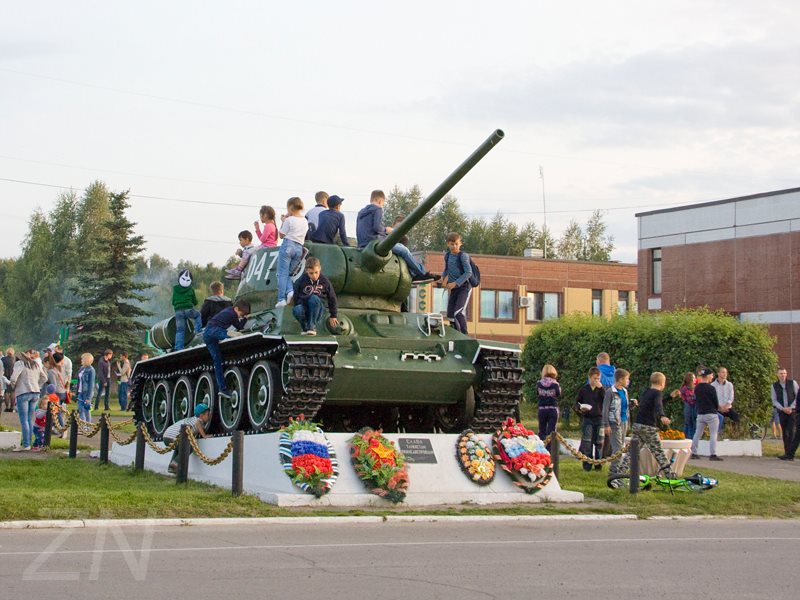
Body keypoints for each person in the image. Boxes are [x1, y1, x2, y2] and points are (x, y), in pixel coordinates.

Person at [356, 190, 439, 283]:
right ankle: (422, 273)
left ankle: (415, 273)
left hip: (363, 245)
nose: (382, 206)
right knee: (404, 250)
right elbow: (376, 227)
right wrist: (386, 230)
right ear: (380, 201)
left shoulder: (361, 212)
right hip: (375, 242)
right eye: (383, 204)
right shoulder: (377, 209)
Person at [610, 372, 673, 488]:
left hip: (638, 425)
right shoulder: (658, 393)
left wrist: (670, 397)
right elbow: (658, 405)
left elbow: (654, 403)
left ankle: (618, 478)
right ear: (662, 383)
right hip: (648, 427)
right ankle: (671, 478)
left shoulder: (647, 392)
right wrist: (662, 416)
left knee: (632, 453)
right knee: (659, 453)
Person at [203, 299, 251, 400]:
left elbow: (239, 325)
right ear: (236, 308)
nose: (240, 316)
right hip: (213, 330)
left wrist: (245, 318)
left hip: (208, 335)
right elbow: (239, 327)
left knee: (217, 361)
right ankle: (222, 388)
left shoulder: (231, 312)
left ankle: (223, 389)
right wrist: (233, 333)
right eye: (241, 314)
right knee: (233, 335)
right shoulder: (231, 313)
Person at [9, 349, 47, 451]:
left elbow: (13, 378)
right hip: (35, 393)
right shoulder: (35, 364)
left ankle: (26, 444)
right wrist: (37, 386)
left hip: (23, 392)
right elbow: (44, 378)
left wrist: (13, 386)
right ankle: (29, 443)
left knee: (24, 420)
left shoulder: (19, 363)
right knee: (30, 419)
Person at [291, 257, 338, 336]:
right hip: (305, 307)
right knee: (297, 309)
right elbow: (296, 295)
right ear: (306, 271)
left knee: (314, 298)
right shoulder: (301, 280)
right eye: (311, 273)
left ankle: (311, 326)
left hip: (318, 308)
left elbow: (332, 297)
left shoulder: (324, 281)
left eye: (316, 272)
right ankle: (305, 327)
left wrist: (333, 315)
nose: (314, 275)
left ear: (320, 268)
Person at [275, 197, 309, 308]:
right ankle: (290, 291)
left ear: (290, 207)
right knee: (288, 274)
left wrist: (284, 221)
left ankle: (281, 299)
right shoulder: (305, 221)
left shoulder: (289, 220)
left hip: (288, 246)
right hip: (299, 248)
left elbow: (281, 235)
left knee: (281, 274)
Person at [439, 232, 473, 335]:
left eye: (456, 244)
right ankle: (455, 334)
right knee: (450, 314)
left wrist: (455, 283)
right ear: (447, 244)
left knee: (458, 312)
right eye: (452, 244)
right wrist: (443, 277)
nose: (454, 246)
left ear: (460, 244)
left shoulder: (463, 256)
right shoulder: (447, 256)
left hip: (464, 288)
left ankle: (465, 336)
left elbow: (468, 272)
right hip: (454, 289)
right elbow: (447, 269)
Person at [164, 402, 212, 474]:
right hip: (173, 436)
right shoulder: (198, 420)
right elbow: (197, 423)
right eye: (208, 414)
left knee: (180, 448)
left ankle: (172, 466)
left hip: (166, 436)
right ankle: (174, 464)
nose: (209, 416)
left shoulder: (191, 419)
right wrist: (204, 435)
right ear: (201, 415)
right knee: (188, 447)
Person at [603, 368, 633, 481]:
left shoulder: (624, 391)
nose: (628, 381)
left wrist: (632, 404)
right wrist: (606, 424)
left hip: (624, 421)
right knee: (618, 448)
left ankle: (618, 470)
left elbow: (624, 407)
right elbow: (605, 409)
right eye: (627, 379)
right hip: (614, 423)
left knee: (621, 447)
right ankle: (613, 472)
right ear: (620, 379)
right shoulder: (610, 392)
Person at [575, 366, 606, 471]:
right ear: (589, 378)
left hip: (599, 418)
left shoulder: (601, 389)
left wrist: (601, 388)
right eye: (594, 379)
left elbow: (605, 400)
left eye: (598, 379)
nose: (596, 381)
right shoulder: (584, 390)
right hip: (588, 418)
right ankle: (587, 465)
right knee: (587, 442)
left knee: (599, 443)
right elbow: (577, 403)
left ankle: (598, 465)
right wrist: (580, 409)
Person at [690, 367, 723, 461]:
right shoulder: (711, 388)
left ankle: (694, 452)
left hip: (700, 413)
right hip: (711, 413)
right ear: (708, 376)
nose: (712, 377)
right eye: (711, 375)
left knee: (697, 433)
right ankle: (713, 454)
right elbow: (715, 401)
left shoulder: (697, 388)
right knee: (713, 434)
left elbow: (696, 400)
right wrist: (717, 408)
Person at [172, 269, 202, 350]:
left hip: (178, 312)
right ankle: (198, 332)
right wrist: (194, 303)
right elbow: (195, 301)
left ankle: (178, 348)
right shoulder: (191, 289)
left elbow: (173, 301)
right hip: (188, 309)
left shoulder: (175, 288)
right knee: (198, 315)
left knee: (180, 330)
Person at [771, 367, 798, 460]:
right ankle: (787, 453)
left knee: (792, 432)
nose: (783, 375)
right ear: (777, 375)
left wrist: (791, 407)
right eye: (781, 373)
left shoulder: (792, 383)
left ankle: (791, 453)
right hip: (782, 412)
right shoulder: (774, 386)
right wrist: (782, 408)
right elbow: (774, 400)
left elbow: (797, 396)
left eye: (784, 373)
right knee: (785, 433)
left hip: (793, 411)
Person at [536, 364, 561, 451]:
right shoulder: (555, 384)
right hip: (552, 408)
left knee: (541, 430)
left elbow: (537, 394)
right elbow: (558, 394)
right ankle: (550, 450)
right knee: (552, 431)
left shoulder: (539, 384)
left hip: (542, 409)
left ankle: (541, 449)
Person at [712, 366, 739, 439]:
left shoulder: (729, 385)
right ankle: (718, 435)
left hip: (727, 408)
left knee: (736, 417)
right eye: (723, 372)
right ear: (718, 373)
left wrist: (726, 406)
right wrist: (720, 408)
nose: (725, 374)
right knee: (718, 419)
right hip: (718, 408)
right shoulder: (713, 385)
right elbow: (713, 399)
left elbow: (731, 397)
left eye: (726, 372)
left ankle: (735, 434)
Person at [670, 372, 697, 440]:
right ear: (690, 379)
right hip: (688, 407)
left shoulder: (696, 387)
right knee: (688, 423)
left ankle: (694, 439)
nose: (695, 379)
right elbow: (685, 398)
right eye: (694, 378)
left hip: (695, 407)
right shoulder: (685, 388)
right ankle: (687, 438)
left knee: (695, 423)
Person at [47, 352, 70, 428]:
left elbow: (54, 385)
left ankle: (61, 427)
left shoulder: (52, 371)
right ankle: (57, 426)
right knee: (58, 410)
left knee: (57, 411)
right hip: (63, 392)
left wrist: (50, 394)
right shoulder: (61, 369)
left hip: (57, 392)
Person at [77, 353, 96, 424]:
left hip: (86, 392)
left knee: (86, 410)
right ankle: (83, 424)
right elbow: (79, 381)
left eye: (82, 359)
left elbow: (91, 384)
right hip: (80, 392)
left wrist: (88, 397)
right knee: (80, 409)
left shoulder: (91, 370)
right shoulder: (81, 368)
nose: (81, 360)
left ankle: (88, 425)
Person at [2, 347, 15, 412]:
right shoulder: (14, 359)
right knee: (13, 391)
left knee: (6, 391)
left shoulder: (3, 359)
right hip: (13, 377)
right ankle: (12, 407)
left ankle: (7, 407)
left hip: (5, 376)